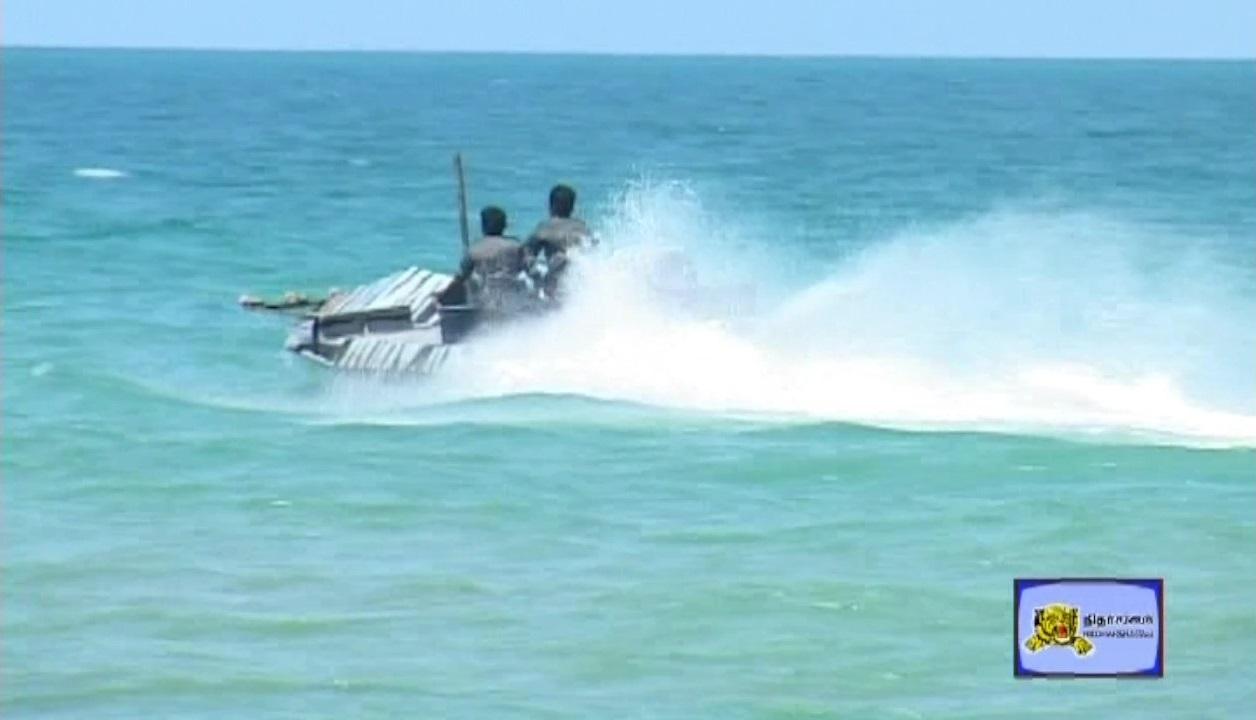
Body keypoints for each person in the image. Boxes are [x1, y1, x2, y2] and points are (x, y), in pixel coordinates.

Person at [524, 184, 595, 298]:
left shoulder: (545, 228)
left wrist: (534, 276)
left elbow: (525, 255)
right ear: (573, 207)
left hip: (556, 286)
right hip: (580, 285)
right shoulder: (583, 228)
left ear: (551, 205)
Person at [457, 205, 528, 312]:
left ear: (483, 226)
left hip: (485, 301)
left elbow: (461, 275)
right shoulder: (516, 246)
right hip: (512, 300)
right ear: (504, 225)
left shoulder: (474, 249)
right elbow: (529, 269)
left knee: (470, 282)